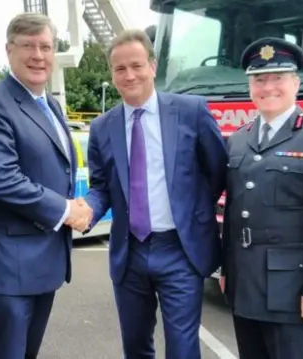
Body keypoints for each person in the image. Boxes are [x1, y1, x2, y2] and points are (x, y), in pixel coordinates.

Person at [84, 29, 228, 359]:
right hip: (129, 252)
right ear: (111, 73)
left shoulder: (191, 111)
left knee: (182, 348)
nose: (129, 75)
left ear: (152, 65)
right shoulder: (102, 127)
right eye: (119, 69)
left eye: (136, 65)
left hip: (180, 249)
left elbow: (217, 170)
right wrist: (87, 210)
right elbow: (101, 187)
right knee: (135, 346)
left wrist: (197, 214)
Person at [0, 12, 90, 359]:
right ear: (8, 50)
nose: (38, 55)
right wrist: (65, 210)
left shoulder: (51, 106)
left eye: (46, 47)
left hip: (40, 262)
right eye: (28, 46)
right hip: (7, 265)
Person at [220, 37, 303, 359]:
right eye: (258, 79)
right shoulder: (239, 140)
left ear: (296, 82)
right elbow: (234, 212)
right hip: (245, 286)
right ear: (250, 86)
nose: (268, 87)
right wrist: (227, 271)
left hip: (294, 293)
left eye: (278, 77)